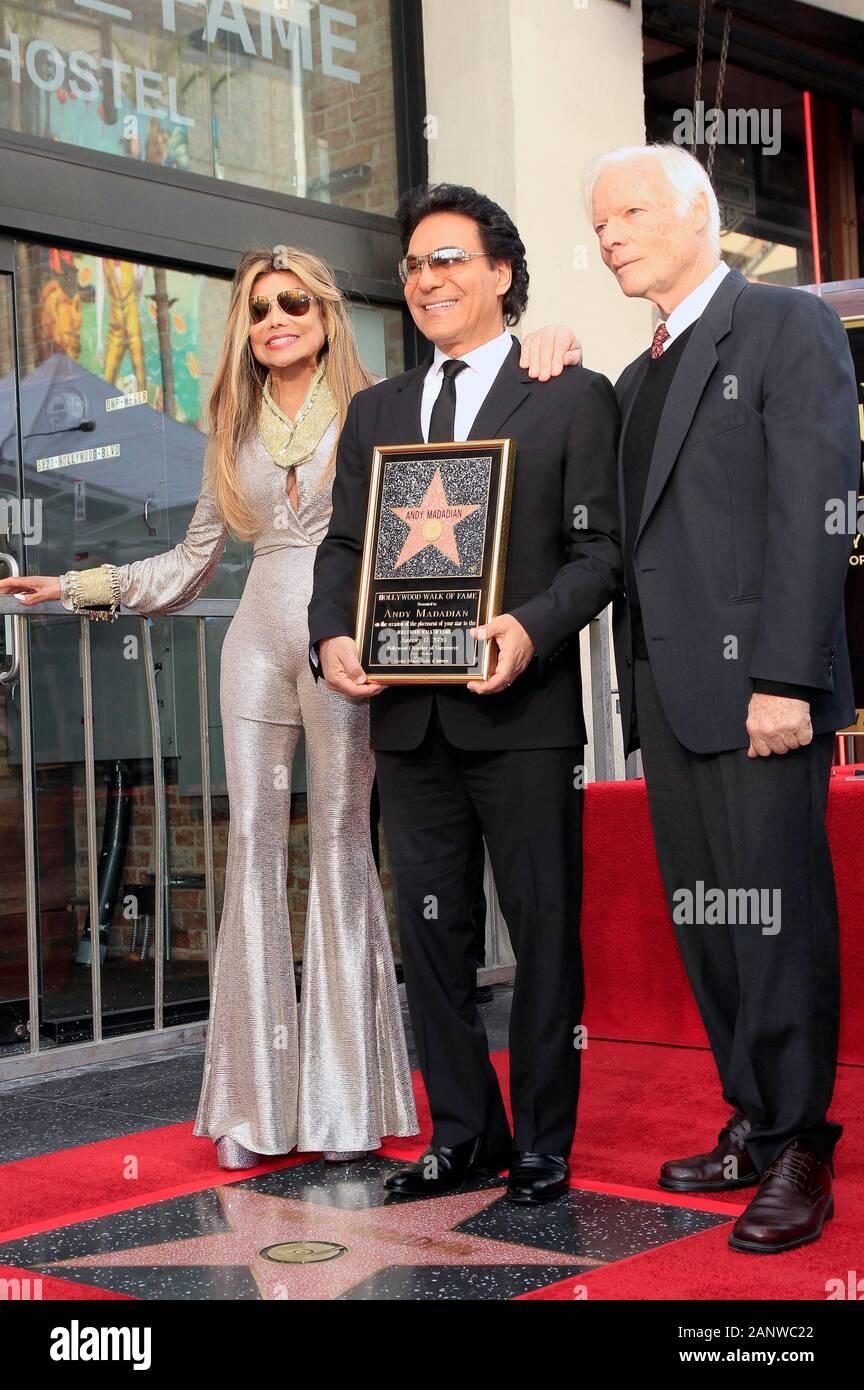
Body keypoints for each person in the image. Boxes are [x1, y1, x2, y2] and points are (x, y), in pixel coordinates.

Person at [0, 247, 580, 1171]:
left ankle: (346, 1108)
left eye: (296, 302)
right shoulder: (227, 430)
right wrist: (77, 589)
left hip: (347, 647)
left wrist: (550, 337)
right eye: (260, 306)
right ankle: (256, 1109)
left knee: (347, 849)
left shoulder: (385, 404)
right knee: (252, 857)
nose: (277, 317)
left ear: (324, 314)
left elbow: (466, 486)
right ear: (245, 323)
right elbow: (188, 565)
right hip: (253, 656)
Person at [308, 184, 621, 1205]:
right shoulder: (377, 411)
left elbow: (600, 552)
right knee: (431, 937)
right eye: (412, 266)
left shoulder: (571, 393)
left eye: (447, 259)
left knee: (541, 931)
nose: (426, 279)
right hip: (408, 718)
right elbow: (346, 547)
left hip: (521, 716)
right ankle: (461, 1133)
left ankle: (540, 1139)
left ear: (500, 273)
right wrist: (331, 636)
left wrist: (528, 628)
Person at [587, 143, 859, 1253]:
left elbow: (817, 506)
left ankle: (803, 1145)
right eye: (597, 221)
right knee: (713, 923)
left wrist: (789, 676)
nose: (609, 234)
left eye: (631, 211)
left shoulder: (787, 327)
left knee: (777, 921)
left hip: (762, 692)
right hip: (672, 697)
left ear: (701, 212)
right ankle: (752, 1116)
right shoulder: (637, 373)